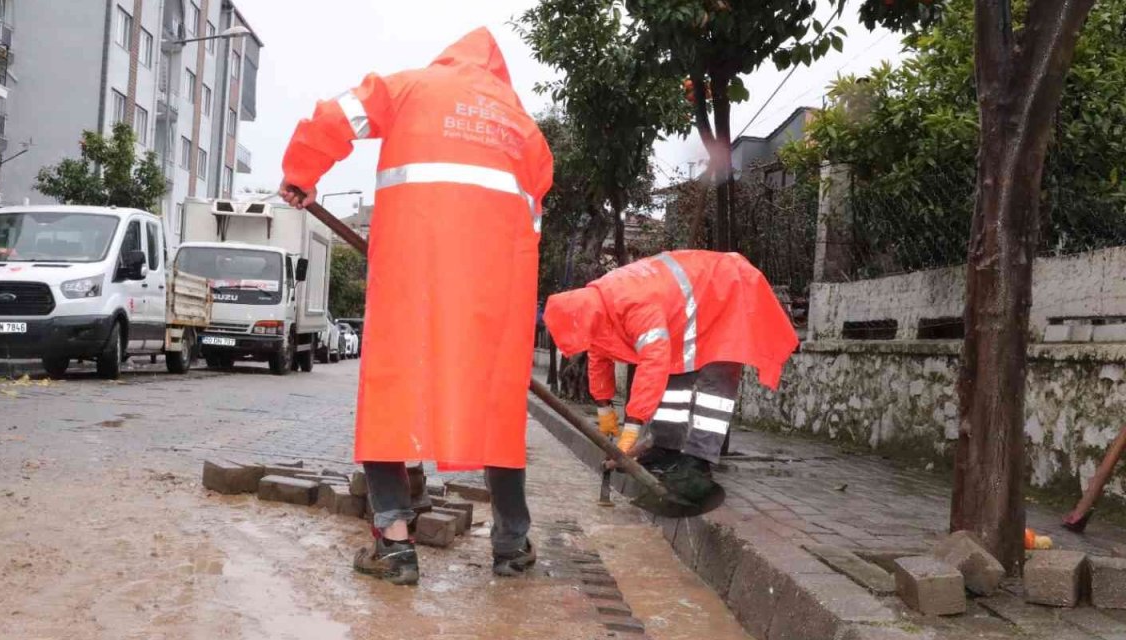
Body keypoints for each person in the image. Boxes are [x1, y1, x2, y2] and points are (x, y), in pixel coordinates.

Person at [278, 28, 553, 586]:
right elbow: (534, 221)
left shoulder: (411, 88)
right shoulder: (524, 128)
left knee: (391, 394)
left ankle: (396, 546)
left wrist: (302, 173)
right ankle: (512, 547)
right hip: (494, 293)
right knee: (497, 411)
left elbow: (335, 115)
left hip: (413, 277)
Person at [542, 250, 799, 510]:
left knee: (715, 389)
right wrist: (604, 406)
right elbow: (598, 351)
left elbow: (653, 364)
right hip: (690, 313)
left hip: (726, 295)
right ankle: (666, 448)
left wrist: (632, 425)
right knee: (673, 384)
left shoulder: (633, 304)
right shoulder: (598, 303)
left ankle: (700, 460)